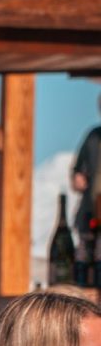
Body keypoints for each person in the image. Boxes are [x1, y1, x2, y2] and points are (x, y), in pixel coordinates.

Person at [71, 93, 101, 263]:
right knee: (86, 261)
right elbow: (78, 168)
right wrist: (77, 177)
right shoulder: (93, 137)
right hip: (90, 213)